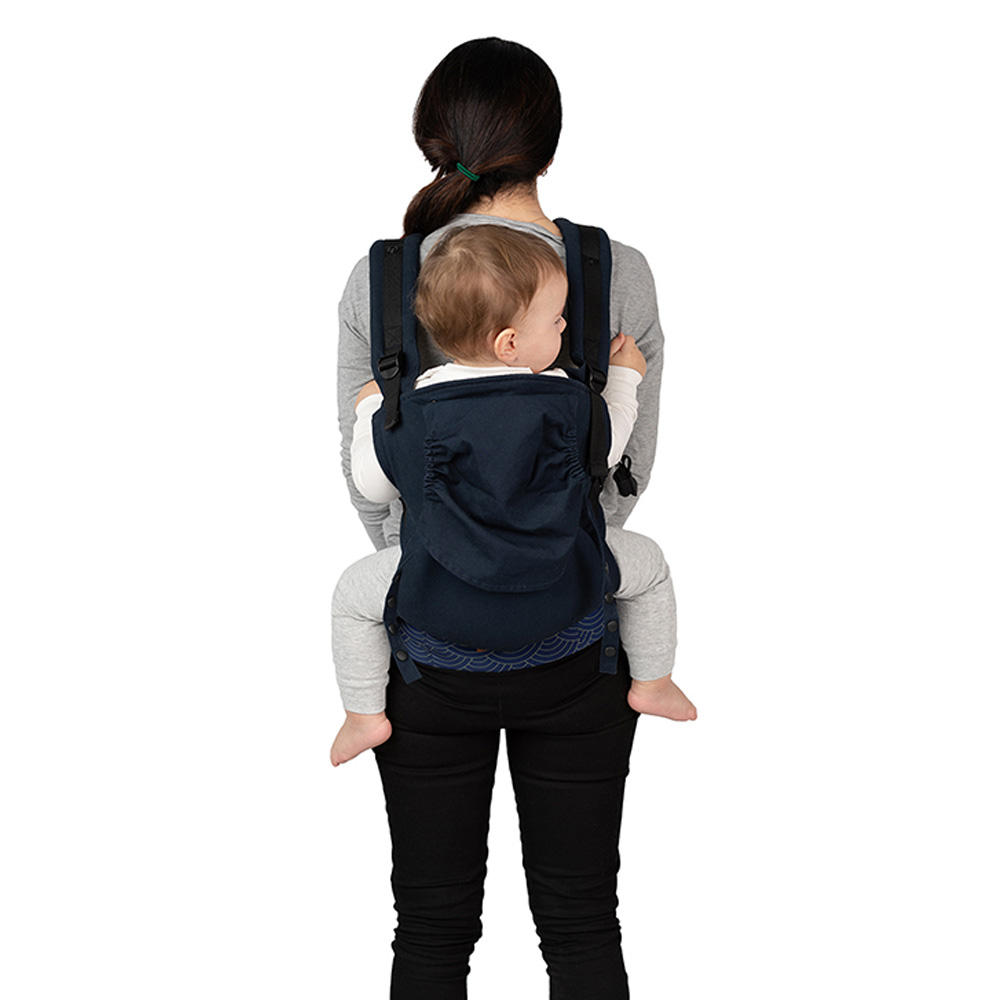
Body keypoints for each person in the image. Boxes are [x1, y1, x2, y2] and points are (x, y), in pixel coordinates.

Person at [333, 37, 693, 999]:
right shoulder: (614, 270)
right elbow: (624, 473)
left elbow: (371, 486)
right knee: (581, 924)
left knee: (431, 927)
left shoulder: (383, 278)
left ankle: (359, 705)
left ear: (433, 141)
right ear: (549, 142)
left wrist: (450, 563)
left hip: (426, 649)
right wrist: (545, 555)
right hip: (579, 644)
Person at [331, 224, 695, 766]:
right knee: (651, 568)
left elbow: (373, 485)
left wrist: (368, 409)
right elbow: (610, 450)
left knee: (350, 596)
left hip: (440, 588)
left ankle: (363, 716)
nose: (565, 326)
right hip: (562, 584)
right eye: (556, 319)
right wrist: (623, 379)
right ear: (509, 343)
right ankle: (654, 682)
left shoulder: (412, 411)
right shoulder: (568, 399)